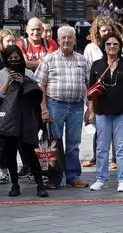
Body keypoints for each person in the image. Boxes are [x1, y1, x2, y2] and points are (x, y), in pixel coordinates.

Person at [87, 34, 123, 194]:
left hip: (122, 112)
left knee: (121, 148)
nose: (112, 47)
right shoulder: (97, 65)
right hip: (102, 112)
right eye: (109, 44)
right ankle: (101, 179)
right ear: (104, 46)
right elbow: (90, 90)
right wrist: (90, 111)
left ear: (120, 47)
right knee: (101, 148)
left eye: (115, 44)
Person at [0, 45, 50, 197]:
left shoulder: (29, 72)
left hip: (26, 117)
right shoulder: (1, 74)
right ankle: (15, 184)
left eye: (16, 58)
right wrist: (8, 81)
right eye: (10, 59)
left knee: (30, 151)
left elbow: (35, 94)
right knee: (10, 152)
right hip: (10, 118)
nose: (14, 61)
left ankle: (40, 184)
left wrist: (23, 80)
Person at [37, 26, 91, 189]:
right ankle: (54, 177)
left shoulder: (82, 60)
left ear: (74, 40)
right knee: (54, 141)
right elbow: (40, 85)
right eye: (63, 38)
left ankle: (73, 176)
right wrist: (43, 109)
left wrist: (90, 108)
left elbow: (89, 85)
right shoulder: (49, 59)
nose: (66, 41)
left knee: (74, 142)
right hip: (55, 104)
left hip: (76, 106)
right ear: (58, 40)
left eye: (69, 37)